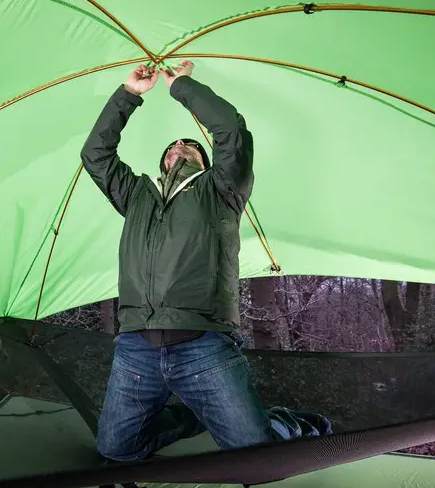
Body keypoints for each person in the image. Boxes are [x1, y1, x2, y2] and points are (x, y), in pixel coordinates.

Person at [81, 60, 330, 461]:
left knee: (255, 455)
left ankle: (287, 422)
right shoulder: (136, 197)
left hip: (202, 344)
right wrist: (127, 96)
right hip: (136, 347)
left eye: (191, 145)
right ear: (163, 161)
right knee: (116, 449)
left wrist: (182, 86)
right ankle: (190, 417)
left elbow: (230, 130)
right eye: (173, 147)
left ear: (205, 160)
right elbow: (95, 155)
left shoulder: (222, 191)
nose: (181, 146)